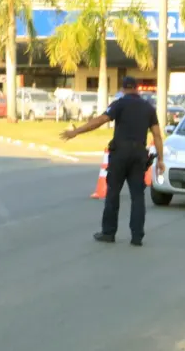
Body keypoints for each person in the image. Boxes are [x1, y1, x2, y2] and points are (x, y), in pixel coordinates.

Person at [60, 77, 165, 246]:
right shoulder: (148, 108)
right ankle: (137, 236)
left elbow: (100, 120)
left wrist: (77, 132)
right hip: (139, 154)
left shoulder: (119, 104)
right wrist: (160, 159)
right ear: (137, 89)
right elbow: (157, 135)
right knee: (137, 196)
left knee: (113, 192)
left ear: (123, 89)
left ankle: (109, 232)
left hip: (120, 154)